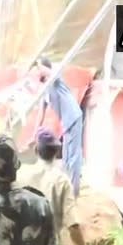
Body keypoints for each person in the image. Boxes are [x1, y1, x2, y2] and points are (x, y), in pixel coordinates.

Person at [35, 57, 84, 197]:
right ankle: (68, 188)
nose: (38, 73)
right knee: (67, 157)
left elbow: (52, 70)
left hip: (73, 117)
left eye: (39, 70)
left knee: (73, 156)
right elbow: (41, 112)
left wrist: (39, 62)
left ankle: (74, 192)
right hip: (67, 122)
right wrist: (35, 133)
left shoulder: (55, 81)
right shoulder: (45, 92)